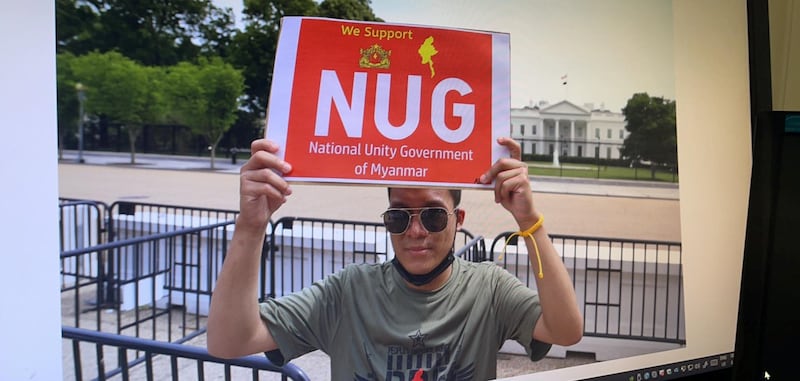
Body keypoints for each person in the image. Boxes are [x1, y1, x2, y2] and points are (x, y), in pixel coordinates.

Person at [207, 137, 583, 380]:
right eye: (398, 217)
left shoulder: (488, 288)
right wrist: (251, 226)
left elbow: (565, 330)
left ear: (458, 220)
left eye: (434, 216)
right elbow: (229, 342)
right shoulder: (349, 292)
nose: (415, 232)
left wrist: (529, 221)